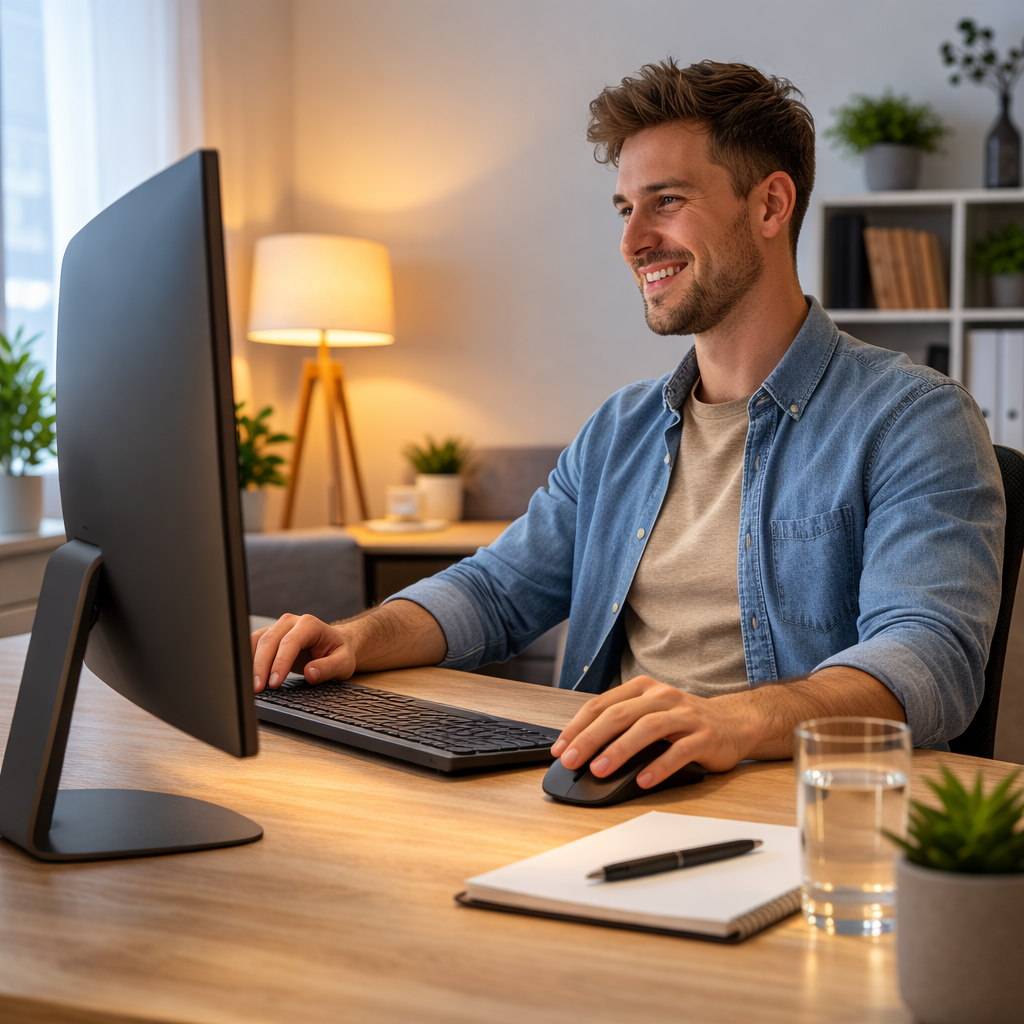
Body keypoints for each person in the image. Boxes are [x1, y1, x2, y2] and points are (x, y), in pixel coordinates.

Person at [251, 59, 1004, 789]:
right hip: (603, 786)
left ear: (771, 206)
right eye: (624, 209)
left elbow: (928, 656)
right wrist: (354, 639)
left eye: (666, 201)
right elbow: (496, 590)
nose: (632, 240)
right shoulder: (622, 428)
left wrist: (732, 722)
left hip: (797, 807)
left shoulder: (913, 418)